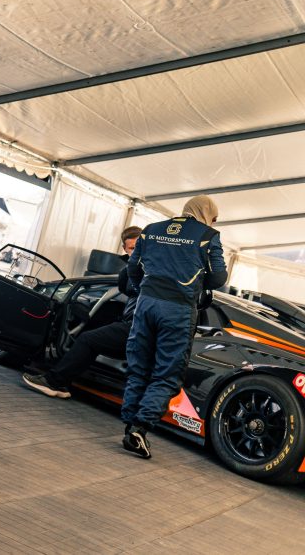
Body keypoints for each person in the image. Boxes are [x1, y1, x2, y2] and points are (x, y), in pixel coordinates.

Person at [120, 196, 227, 459]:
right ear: (206, 213)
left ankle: (130, 426)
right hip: (177, 309)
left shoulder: (151, 229)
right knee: (167, 374)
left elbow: (133, 267)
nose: (213, 223)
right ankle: (139, 428)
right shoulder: (208, 236)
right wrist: (196, 283)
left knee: (138, 367)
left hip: (146, 304)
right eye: (213, 218)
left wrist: (144, 290)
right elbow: (218, 277)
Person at [22, 225, 142, 398]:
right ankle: (62, 384)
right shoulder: (134, 268)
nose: (135, 252)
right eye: (131, 248)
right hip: (136, 327)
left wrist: (133, 263)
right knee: (94, 338)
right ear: (124, 249)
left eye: (138, 247)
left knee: (87, 339)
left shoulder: (146, 269)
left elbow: (129, 287)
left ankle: (54, 382)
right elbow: (124, 287)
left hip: (136, 328)